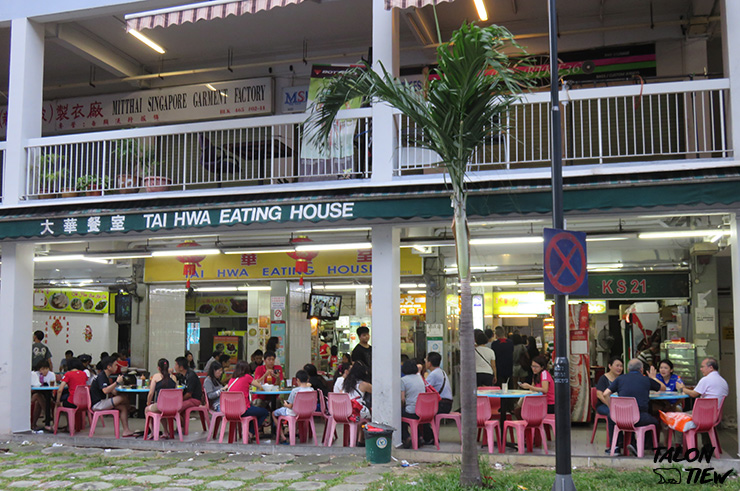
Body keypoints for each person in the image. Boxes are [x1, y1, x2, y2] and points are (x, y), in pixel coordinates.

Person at [602, 358, 664, 453]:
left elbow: (605, 393)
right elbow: (663, 388)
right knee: (655, 421)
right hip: (640, 418)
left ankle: (615, 448)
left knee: (611, 417)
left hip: (621, 418)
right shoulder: (646, 380)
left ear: (628, 369)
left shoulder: (620, 379)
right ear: (641, 369)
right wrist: (653, 378)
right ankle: (650, 447)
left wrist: (612, 409)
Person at [89, 356, 134, 437]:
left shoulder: (105, 376)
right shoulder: (102, 377)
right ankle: (130, 408)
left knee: (123, 407)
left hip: (101, 402)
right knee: (123, 398)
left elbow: (113, 391)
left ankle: (126, 430)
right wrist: (116, 383)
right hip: (98, 404)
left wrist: (121, 385)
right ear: (109, 367)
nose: (117, 367)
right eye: (115, 365)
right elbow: (105, 390)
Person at [225, 360, 270, 438]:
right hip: (243, 410)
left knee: (254, 411)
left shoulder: (232, 380)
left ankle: (248, 431)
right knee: (264, 412)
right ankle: (250, 432)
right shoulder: (247, 377)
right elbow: (259, 386)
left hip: (230, 411)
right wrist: (265, 376)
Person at [272, 369, 315, 442]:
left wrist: (285, 404)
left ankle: (282, 436)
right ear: (308, 379)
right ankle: (298, 434)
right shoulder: (312, 390)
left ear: (297, 380)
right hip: (307, 413)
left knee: (273, 413)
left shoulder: (295, 391)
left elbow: (290, 406)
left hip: (293, 413)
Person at [144, 358, 178, 438]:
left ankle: (152, 432)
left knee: (147, 409)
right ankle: (166, 432)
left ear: (158, 368)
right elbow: (175, 391)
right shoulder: (173, 378)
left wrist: (148, 403)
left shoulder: (156, 377)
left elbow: (151, 393)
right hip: (172, 407)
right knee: (161, 411)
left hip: (160, 406)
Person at [400, 359, 428, 448]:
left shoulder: (403, 380)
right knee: (413, 420)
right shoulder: (420, 378)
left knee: (398, 417)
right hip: (423, 411)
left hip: (412, 412)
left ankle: (406, 437)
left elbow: (402, 399)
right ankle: (419, 437)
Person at [595, 356, 624, 422]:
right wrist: (610, 404)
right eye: (617, 366)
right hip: (604, 405)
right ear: (610, 366)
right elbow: (599, 395)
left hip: (619, 405)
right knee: (615, 414)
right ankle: (614, 432)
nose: (619, 368)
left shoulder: (622, 378)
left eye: (621, 366)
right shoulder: (603, 378)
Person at [30, 359, 56, 431]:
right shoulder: (36, 374)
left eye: (46, 369)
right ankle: (47, 415)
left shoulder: (51, 374)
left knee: (38, 401)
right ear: (39, 369)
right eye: (42, 369)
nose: (45, 371)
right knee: (37, 396)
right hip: (37, 393)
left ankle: (34, 424)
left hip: (48, 394)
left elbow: (53, 387)